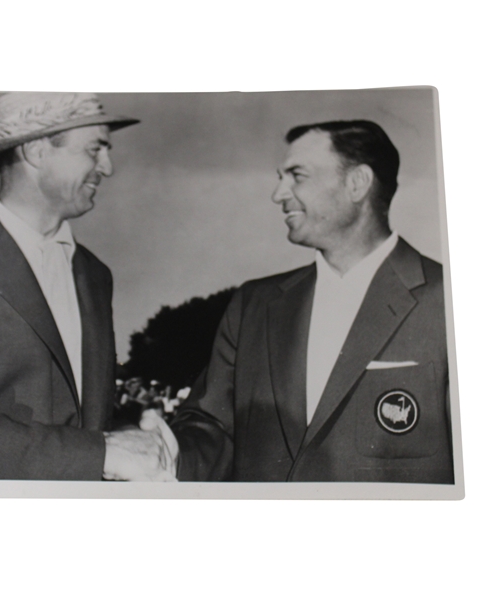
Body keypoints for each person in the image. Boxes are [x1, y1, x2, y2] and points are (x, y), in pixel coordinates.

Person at [0, 92, 175, 481]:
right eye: (95, 149)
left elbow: (78, 419)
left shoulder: (94, 274)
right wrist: (103, 452)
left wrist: (130, 437)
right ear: (35, 151)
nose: (108, 167)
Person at [170, 120, 454, 483]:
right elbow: (210, 426)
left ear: (357, 183)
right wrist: (167, 456)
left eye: (297, 176)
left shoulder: (451, 302)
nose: (278, 194)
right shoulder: (253, 305)